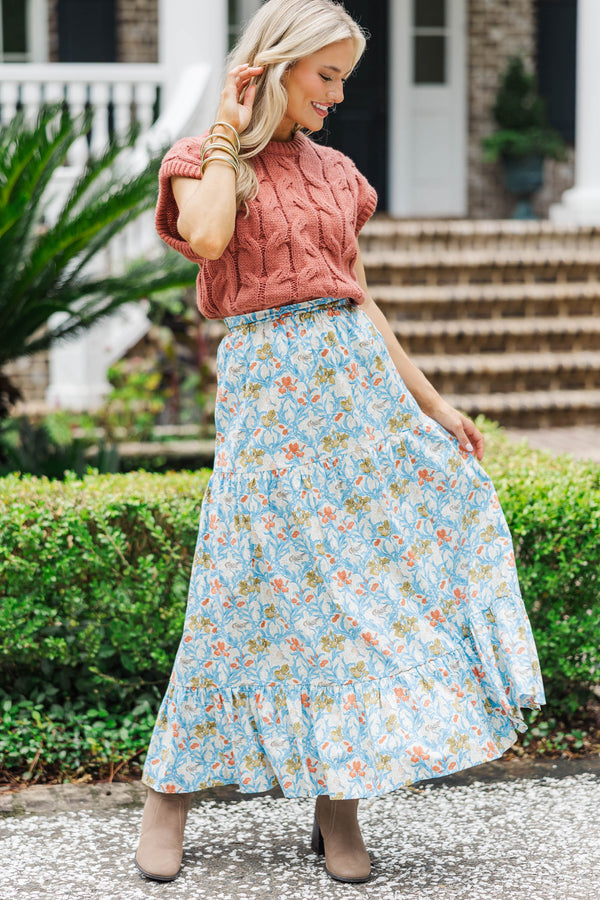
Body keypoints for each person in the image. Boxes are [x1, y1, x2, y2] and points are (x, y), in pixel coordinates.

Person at [134, 0, 545, 886]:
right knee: (234, 588)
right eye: (326, 76)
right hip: (267, 398)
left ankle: (339, 806)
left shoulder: (337, 174)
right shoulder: (204, 161)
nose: (338, 95)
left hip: (356, 399)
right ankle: (167, 795)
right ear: (276, 68)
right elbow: (206, 238)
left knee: (353, 599)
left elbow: (360, 298)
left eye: (345, 78)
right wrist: (226, 125)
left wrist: (434, 405)